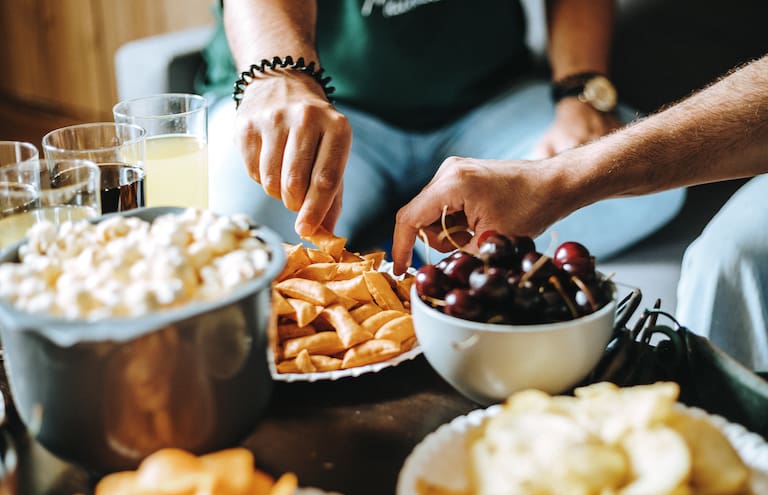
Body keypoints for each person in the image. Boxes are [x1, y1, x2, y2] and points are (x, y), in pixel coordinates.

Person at [200, 0, 685, 260]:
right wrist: (281, 75)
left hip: (488, 99)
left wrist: (579, 94)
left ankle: (428, 265)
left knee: (642, 183)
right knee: (242, 244)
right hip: (325, 102)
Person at [391, 54, 768, 371]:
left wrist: (557, 174)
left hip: (500, 97)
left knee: (730, 258)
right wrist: (553, 181)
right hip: (357, 113)